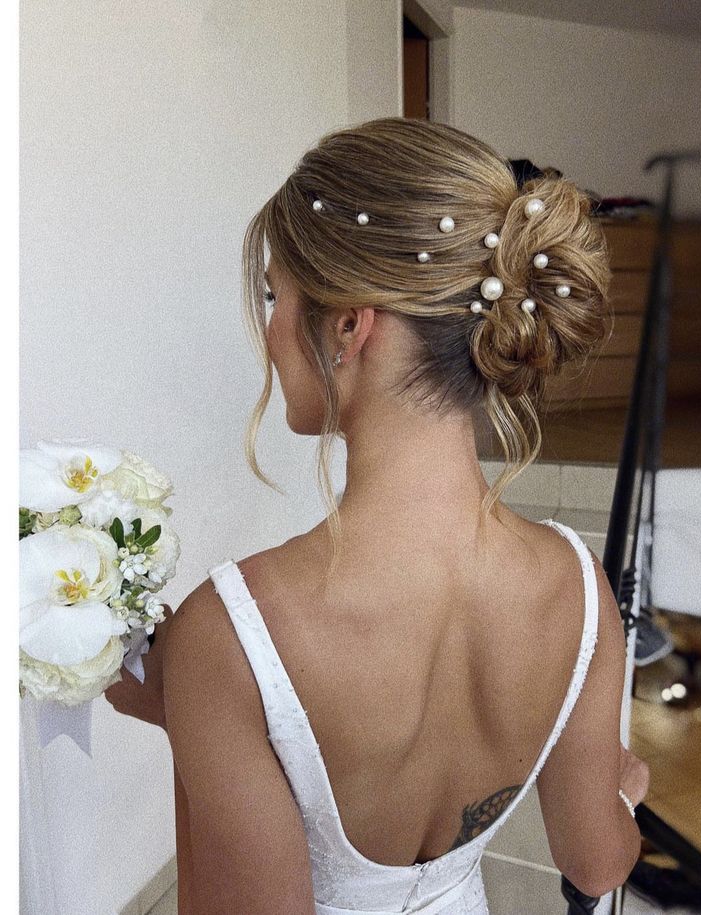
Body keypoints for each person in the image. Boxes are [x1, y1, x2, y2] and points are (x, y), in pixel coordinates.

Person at [105, 117, 649, 914]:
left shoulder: (232, 633)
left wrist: (197, 710)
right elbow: (597, 861)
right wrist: (623, 795)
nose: (268, 328)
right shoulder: (579, 587)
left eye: (273, 294)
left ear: (350, 325)